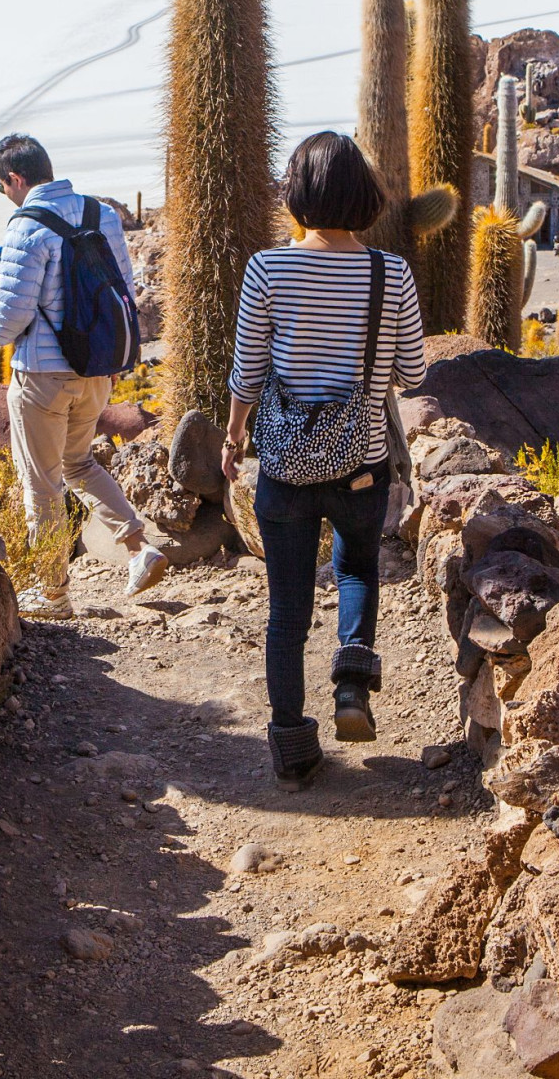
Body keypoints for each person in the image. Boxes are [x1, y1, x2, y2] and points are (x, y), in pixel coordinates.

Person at [221, 132, 425, 787]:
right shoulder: (389, 272)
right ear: (362, 192)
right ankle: (351, 690)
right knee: (358, 568)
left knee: (287, 607)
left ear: (298, 192)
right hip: (360, 461)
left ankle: (291, 745)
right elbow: (414, 373)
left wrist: (232, 439)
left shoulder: (268, 269)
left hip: (284, 467)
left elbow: (247, 372)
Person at [0, 133, 160, 618]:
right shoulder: (99, 213)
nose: (5, 194)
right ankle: (139, 547)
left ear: (16, 179)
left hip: (42, 375)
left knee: (40, 482)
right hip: (96, 369)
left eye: (2, 186)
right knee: (79, 464)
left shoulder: (26, 225)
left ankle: (54, 593)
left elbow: (11, 318)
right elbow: (123, 286)